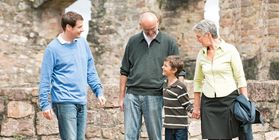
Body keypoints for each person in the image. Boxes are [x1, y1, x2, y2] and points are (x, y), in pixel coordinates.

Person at [39, 11, 106, 140]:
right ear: (69, 27)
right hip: (64, 101)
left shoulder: (83, 44)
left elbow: (90, 70)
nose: (83, 29)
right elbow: (45, 78)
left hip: (81, 100)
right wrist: (45, 104)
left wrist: (98, 91)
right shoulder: (52, 49)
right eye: (79, 27)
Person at [119, 11, 179, 140]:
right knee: (129, 136)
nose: (151, 32)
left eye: (153, 28)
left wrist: (175, 95)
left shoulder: (169, 42)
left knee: (155, 136)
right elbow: (124, 70)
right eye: (147, 30)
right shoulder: (133, 41)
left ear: (158, 22)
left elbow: (179, 72)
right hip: (132, 95)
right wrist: (121, 97)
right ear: (140, 25)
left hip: (156, 95)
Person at [191, 19, 249, 140]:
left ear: (208, 35)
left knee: (227, 137)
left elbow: (240, 77)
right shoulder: (201, 54)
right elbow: (197, 81)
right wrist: (196, 107)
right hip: (208, 103)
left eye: (199, 36)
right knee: (211, 137)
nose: (198, 40)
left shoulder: (230, 50)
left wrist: (245, 102)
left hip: (228, 101)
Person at [162, 55, 193, 140]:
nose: (162, 67)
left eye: (165, 66)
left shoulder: (180, 87)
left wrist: (196, 112)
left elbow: (187, 104)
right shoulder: (164, 84)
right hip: (168, 126)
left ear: (174, 70)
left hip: (180, 127)